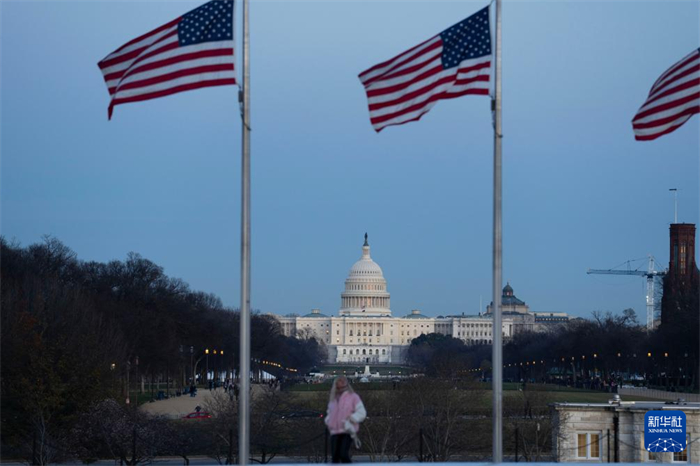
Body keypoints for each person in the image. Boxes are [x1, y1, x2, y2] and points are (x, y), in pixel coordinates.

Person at [324, 376, 366, 463]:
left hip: (347, 430)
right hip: (334, 430)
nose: (341, 388)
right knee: (335, 457)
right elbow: (329, 412)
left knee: (343, 454)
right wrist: (329, 421)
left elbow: (362, 412)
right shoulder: (333, 398)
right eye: (339, 386)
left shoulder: (354, 397)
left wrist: (352, 418)